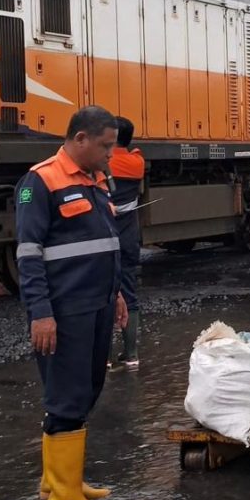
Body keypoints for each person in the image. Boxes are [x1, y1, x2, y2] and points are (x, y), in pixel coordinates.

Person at [15, 106, 128, 500]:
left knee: (86, 390)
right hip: (66, 311)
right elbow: (28, 254)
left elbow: (104, 243)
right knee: (68, 396)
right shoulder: (41, 181)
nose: (111, 154)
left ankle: (58, 482)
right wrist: (40, 313)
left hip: (97, 304)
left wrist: (116, 294)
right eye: (105, 145)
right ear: (80, 139)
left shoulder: (95, 180)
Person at [107, 116, 146, 369]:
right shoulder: (136, 162)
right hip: (129, 238)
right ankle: (131, 354)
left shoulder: (103, 164)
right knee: (129, 293)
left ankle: (105, 358)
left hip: (105, 240)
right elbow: (136, 152)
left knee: (103, 295)